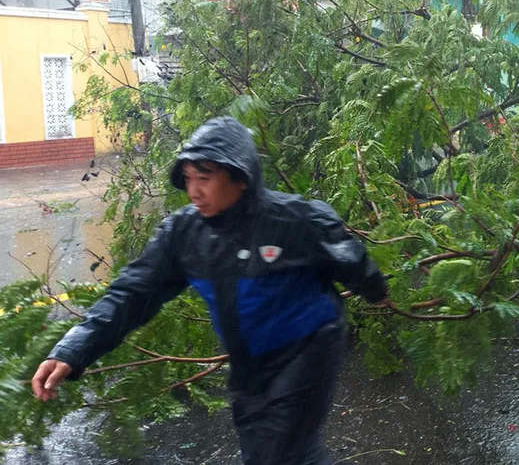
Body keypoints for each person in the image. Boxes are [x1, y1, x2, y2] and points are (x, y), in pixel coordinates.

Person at [31, 117, 388, 464]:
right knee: (271, 451)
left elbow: (347, 254)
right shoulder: (183, 235)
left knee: (279, 451)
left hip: (309, 348)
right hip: (250, 362)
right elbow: (132, 292)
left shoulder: (292, 219)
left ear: (241, 178)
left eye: (204, 177)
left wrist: (373, 288)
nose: (193, 191)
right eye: (187, 179)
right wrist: (73, 348)